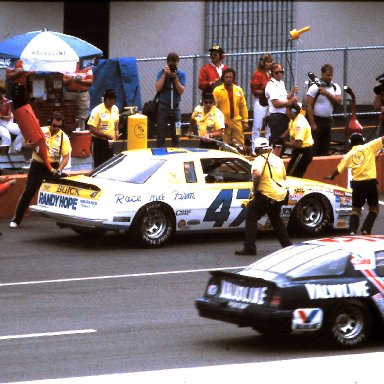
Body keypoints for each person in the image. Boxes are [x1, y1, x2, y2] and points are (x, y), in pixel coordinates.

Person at [10, 112, 71, 228]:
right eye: (54, 125)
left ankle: (64, 220)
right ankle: (16, 219)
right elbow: (25, 144)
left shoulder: (64, 138)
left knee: (60, 193)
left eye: (58, 127)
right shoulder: (41, 130)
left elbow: (66, 156)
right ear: (50, 123)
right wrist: (30, 145)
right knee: (28, 192)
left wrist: (59, 169)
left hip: (52, 167)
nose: (55, 128)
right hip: (37, 165)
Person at [235, 137, 292, 256]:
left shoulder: (258, 160)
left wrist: (256, 190)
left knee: (251, 217)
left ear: (257, 149)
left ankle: (250, 247)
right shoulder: (277, 159)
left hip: (267, 194)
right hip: (280, 195)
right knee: (276, 219)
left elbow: (257, 174)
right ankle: (287, 246)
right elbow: (283, 177)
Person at [325, 132, 384, 235]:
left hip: (357, 185)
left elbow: (338, 170)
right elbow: (382, 139)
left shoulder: (348, 155)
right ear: (362, 141)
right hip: (370, 183)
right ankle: (366, 229)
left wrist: (331, 177)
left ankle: (352, 231)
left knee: (355, 210)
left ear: (350, 143)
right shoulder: (369, 147)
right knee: (374, 209)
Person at [305, 64, 342, 156]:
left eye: (331, 75)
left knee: (325, 146)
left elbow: (338, 101)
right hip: (317, 120)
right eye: (327, 75)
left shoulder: (335, 87)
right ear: (322, 74)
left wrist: (327, 94)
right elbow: (308, 105)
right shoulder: (314, 87)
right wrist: (312, 123)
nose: (329, 77)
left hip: (328, 120)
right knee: (315, 146)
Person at [155, 52, 186, 148]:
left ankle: (177, 149)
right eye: (171, 64)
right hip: (163, 106)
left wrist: (175, 78)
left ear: (178, 63)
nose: (173, 66)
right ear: (167, 63)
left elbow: (181, 90)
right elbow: (158, 88)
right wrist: (165, 74)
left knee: (177, 133)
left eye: (175, 64)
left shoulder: (181, 74)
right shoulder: (161, 72)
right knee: (160, 133)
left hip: (175, 107)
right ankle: (160, 151)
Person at [213, 68, 248, 147]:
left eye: (230, 77)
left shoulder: (238, 90)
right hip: (224, 122)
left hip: (236, 120)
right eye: (226, 77)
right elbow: (214, 108)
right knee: (224, 144)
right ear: (223, 78)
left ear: (233, 78)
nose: (228, 79)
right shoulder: (217, 91)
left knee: (240, 144)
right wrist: (220, 121)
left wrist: (245, 120)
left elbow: (243, 106)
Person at [264, 63, 298, 147]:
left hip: (284, 115)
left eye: (281, 72)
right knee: (277, 142)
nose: (279, 74)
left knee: (283, 141)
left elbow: (284, 97)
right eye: (276, 72)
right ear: (272, 73)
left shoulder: (281, 83)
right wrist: (290, 102)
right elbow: (276, 103)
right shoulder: (271, 85)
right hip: (277, 117)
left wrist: (291, 93)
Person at [87, 89, 120, 168]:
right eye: (110, 99)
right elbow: (92, 128)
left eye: (113, 99)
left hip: (111, 142)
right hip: (99, 142)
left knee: (109, 165)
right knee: (99, 165)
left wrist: (116, 131)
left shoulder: (115, 109)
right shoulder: (97, 111)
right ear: (105, 99)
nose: (112, 101)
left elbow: (116, 121)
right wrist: (106, 136)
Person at [281, 102, 314, 178]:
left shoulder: (299, 124)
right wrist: (281, 138)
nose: (286, 113)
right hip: (298, 152)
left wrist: (284, 143)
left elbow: (298, 144)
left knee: (292, 175)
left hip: (302, 152)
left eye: (287, 110)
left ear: (292, 112)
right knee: (293, 173)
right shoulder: (294, 119)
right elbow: (289, 128)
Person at [250, 53, 273, 150]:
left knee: (269, 125)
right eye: (268, 62)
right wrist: (266, 92)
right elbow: (254, 90)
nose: (270, 64)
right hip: (260, 101)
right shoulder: (258, 74)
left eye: (271, 62)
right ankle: (254, 148)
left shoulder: (270, 74)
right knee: (258, 125)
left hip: (270, 102)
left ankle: (268, 146)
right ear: (263, 63)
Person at [63, 62, 93, 131]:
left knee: (82, 117)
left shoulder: (87, 66)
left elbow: (90, 81)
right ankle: (67, 134)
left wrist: (80, 81)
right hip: (69, 93)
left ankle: (81, 133)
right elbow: (63, 81)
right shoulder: (67, 65)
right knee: (68, 113)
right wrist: (70, 80)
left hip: (83, 94)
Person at [0, 81, 23, 154]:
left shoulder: (7, 101)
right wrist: (4, 117)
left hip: (6, 123)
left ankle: (14, 150)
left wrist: (3, 117)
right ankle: (3, 156)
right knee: (6, 136)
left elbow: (9, 116)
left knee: (23, 130)